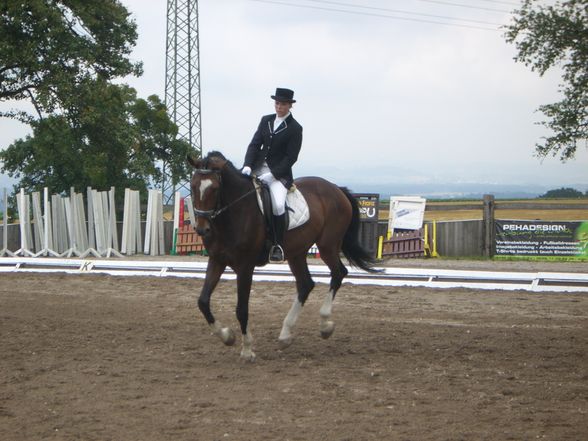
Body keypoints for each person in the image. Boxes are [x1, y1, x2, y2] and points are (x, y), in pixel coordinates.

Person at [241, 87, 303, 263]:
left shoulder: (295, 128)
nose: (279, 107)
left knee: (277, 205)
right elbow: (255, 144)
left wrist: (273, 175)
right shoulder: (266, 120)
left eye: (283, 104)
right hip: (257, 167)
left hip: (279, 174)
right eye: (277, 103)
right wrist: (247, 165)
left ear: (290, 106)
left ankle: (277, 244)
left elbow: (291, 157)